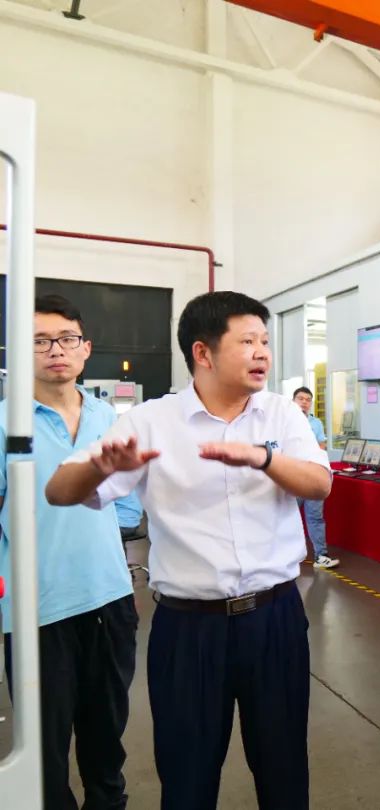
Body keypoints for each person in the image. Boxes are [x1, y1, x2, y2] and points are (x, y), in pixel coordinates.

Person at [46, 291, 332, 810]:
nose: (262, 353)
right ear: (203, 353)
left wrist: (263, 459)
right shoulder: (151, 422)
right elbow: (60, 491)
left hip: (275, 620)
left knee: (284, 767)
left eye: (265, 341)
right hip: (189, 629)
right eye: (247, 341)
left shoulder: (280, 415)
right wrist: (98, 468)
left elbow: (319, 483)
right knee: (187, 778)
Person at [1, 294, 137, 810]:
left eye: (66, 338)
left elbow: (128, 501)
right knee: (45, 756)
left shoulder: (109, 416)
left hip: (110, 601)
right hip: (36, 612)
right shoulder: (7, 422)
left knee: (107, 744)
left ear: (86, 348)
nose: (55, 349)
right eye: (39, 341)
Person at [292, 386, 338, 570]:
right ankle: (285, 555)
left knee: (315, 517)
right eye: (300, 398)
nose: (304, 402)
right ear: (293, 400)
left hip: (313, 475)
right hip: (293, 476)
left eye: (308, 399)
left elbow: (322, 444)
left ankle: (321, 555)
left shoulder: (316, 423)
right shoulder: (285, 420)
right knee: (287, 515)